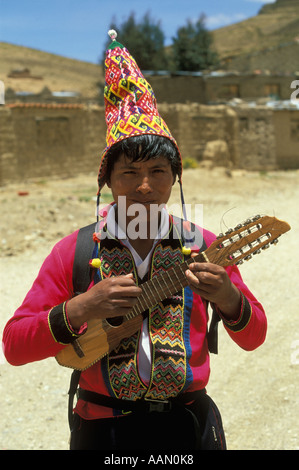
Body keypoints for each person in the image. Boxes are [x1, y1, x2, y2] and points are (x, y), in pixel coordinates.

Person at [2, 31, 267, 451]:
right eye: (129, 173)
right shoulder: (75, 252)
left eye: (159, 172)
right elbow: (14, 346)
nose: (144, 186)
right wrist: (82, 307)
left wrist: (229, 297)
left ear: (175, 178)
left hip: (187, 428)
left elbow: (254, 337)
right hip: (102, 430)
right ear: (106, 180)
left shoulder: (206, 247)